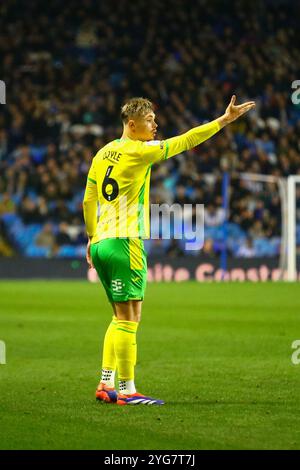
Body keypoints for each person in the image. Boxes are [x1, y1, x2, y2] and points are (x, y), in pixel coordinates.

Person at [83, 95, 255, 406]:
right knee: (130, 316)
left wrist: (91, 236)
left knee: (118, 315)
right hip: (125, 242)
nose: (156, 125)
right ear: (132, 125)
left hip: (100, 243)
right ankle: (127, 390)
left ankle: (105, 382)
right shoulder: (140, 150)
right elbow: (187, 140)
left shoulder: (102, 153)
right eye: (150, 120)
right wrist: (224, 120)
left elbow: (87, 201)